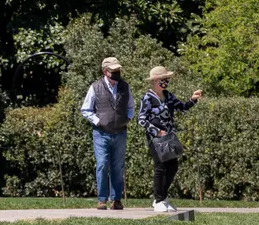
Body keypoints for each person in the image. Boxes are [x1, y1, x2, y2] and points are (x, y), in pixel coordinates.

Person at [137, 66, 202, 212]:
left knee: (173, 167)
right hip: (156, 139)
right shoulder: (148, 98)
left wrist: (193, 99)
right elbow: (141, 119)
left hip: (170, 138)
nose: (166, 81)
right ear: (154, 80)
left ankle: (162, 196)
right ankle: (158, 199)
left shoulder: (168, 95)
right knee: (160, 167)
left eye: (167, 79)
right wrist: (156, 131)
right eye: (163, 79)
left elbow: (183, 107)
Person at [80, 57, 135, 210]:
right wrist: (98, 122)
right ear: (105, 71)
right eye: (113, 71)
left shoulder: (125, 86)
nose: (117, 73)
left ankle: (116, 199)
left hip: (120, 133)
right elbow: (86, 109)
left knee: (118, 166)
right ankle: (102, 199)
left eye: (118, 70)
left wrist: (127, 119)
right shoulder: (95, 87)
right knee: (102, 164)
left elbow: (131, 106)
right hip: (101, 133)